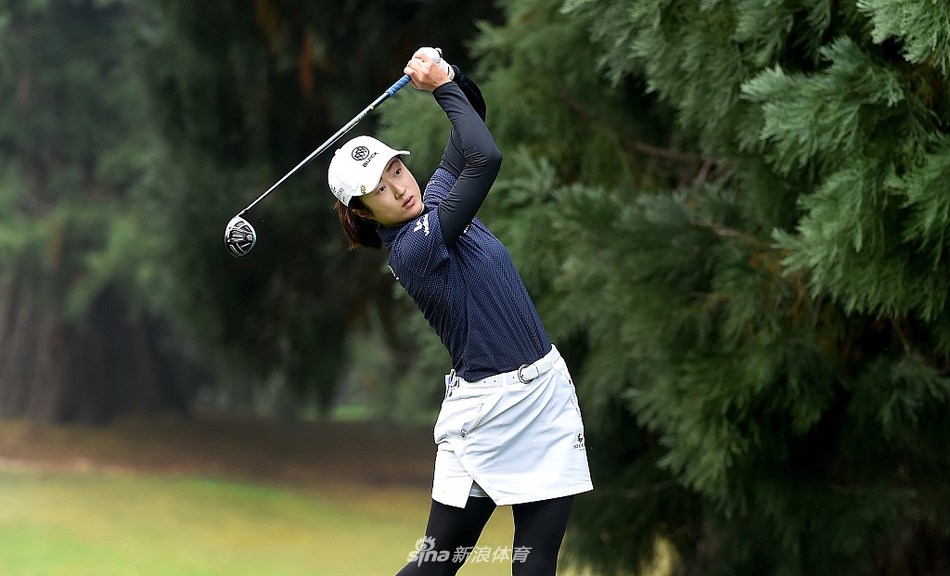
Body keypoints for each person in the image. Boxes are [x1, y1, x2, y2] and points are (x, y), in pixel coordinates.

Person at [327, 48, 593, 576]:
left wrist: (450, 78)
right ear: (362, 212)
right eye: (380, 188)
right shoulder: (412, 249)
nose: (400, 188)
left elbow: (473, 116)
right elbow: (486, 157)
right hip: (488, 415)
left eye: (397, 169)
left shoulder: (435, 196)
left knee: (535, 566)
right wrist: (441, 82)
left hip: (545, 393)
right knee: (435, 566)